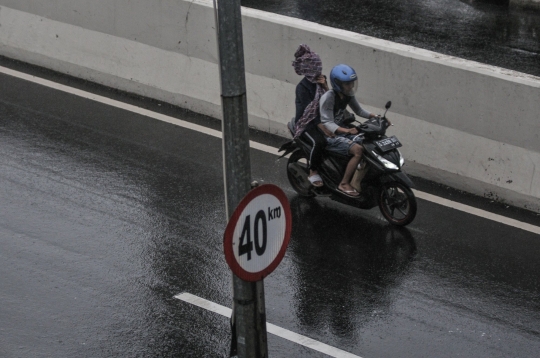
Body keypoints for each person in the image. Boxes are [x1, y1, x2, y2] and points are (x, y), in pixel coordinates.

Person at [319, 64, 379, 197]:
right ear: (338, 84)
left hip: (342, 129)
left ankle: (357, 179)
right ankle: (344, 183)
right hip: (329, 134)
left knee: (367, 143)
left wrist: (376, 117)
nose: (351, 86)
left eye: (352, 83)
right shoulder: (329, 97)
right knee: (358, 150)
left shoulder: (348, 95)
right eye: (347, 84)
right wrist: (346, 131)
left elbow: (359, 111)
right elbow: (326, 122)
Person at [292, 44, 332, 188]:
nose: (318, 69)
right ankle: (313, 171)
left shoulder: (322, 80)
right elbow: (307, 112)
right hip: (307, 123)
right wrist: (322, 126)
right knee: (319, 142)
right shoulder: (302, 88)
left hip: (324, 118)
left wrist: (325, 86)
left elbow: (331, 101)